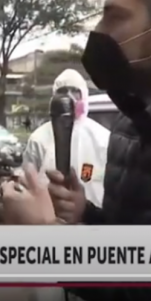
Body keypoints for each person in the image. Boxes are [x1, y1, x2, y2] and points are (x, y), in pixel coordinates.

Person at [0, 0, 151, 301]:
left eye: (114, 17)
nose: (98, 32)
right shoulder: (132, 127)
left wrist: (47, 236)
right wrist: (87, 215)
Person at [23, 69, 110, 207]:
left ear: (84, 96)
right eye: (62, 92)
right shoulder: (38, 139)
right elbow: (27, 181)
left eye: (75, 92)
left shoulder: (103, 139)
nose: (69, 97)